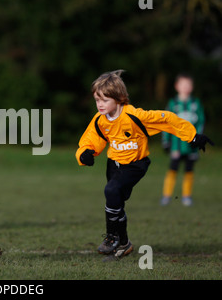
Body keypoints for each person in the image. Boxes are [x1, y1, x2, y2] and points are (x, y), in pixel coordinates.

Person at [75, 70, 213, 261]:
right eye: (97, 99)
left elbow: (168, 119)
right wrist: (85, 154)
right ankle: (124, 244)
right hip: (113, 164)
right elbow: (90, 139)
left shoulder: (135, 116)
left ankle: (112, 237)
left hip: (135, 164)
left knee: (111, 191)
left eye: (105, 100)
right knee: (116, 201)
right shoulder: (100, 120)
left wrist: (192, 135)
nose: (100, 104)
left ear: (119, 98)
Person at [161, 74, 205, 206]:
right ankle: (166, 195)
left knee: (189, 169)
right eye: (183, 84)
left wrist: (198, 139)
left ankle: (187, 196)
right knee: (173, 169)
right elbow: (165, 123)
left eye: (188, 85)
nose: (185, 87)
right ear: (177, 86)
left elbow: (201, 122)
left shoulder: (195, 103)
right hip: (176, 145)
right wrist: (166, 140)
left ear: (192, 87)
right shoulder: (173, 103)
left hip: (191, 145)